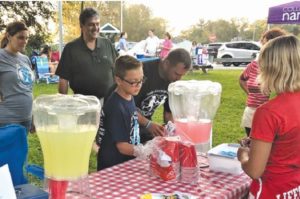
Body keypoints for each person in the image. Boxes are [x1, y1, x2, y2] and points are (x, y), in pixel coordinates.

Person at [237, 35, 300, 198]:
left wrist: (243, 155)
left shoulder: (268, 112)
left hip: (270, 190)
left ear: (270, 69)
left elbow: (254, 170)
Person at [55, 7, 117, 103]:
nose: (96, 28)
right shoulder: (71, 48)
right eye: (91, 24)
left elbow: (116, 71)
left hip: (108, 102)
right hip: (83, 104)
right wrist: (64, 103)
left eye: (97, 24)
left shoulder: (107, 44)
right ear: (81, 25)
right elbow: (63, 79)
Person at [96, 55, 144, 170]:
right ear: (118, 80)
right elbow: (122, 147)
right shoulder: (116, 107)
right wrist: (145, 151)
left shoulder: (128, 95)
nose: (138, 85)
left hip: (125, 161)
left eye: (141, 80)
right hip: (113, 166)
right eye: (133, 82)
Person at [136, 48, 191, 143]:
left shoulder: (172, 82)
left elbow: (168, 113)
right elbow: (124, 107)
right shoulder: (142, 71)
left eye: (182, 75)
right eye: (177, 74)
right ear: (166, 64)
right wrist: (148, 124)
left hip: (143, 128)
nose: (178, 79)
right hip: (124, 127)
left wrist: (170, 131)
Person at [239, 28, 287, 136]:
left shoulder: (282, 68)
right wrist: (251, 94)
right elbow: (242, 79)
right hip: (252, 112)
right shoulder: (255, 64)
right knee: (251, 143)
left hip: (273, 115)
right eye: (262, 44)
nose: (263, 48)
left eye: (266, 45)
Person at [0, 21, 35, 132]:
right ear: (9, 36)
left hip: (26, 118)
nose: (24, 41)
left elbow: (28, 89)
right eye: (20, 37)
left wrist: (33, 116)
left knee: (22, 150)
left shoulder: (25, 59)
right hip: (7, 120)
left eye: (26, 38)